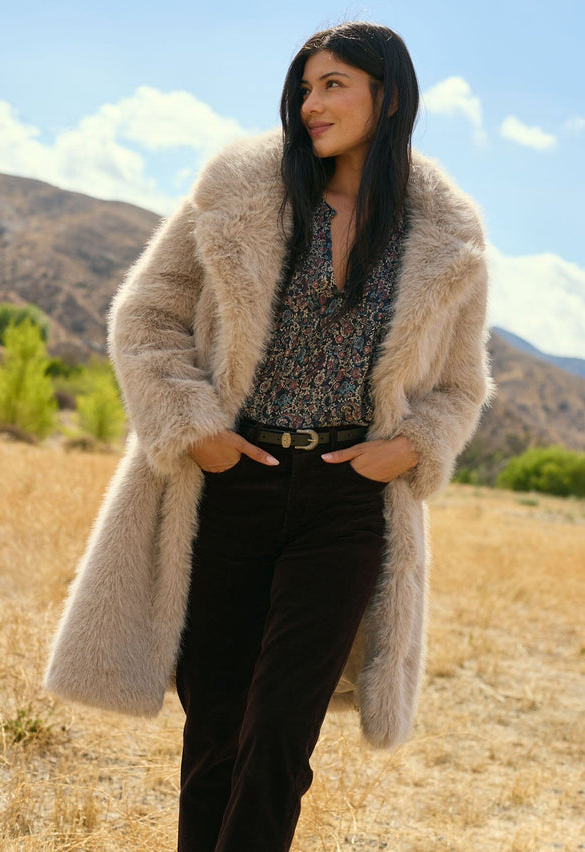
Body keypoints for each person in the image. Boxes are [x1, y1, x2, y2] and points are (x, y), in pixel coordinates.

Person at [45, 20, 493, 852]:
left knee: (282, 732)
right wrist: (196, 428)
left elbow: (462, 385)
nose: (309, 103)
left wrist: (416, 446)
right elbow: (145, 320)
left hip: (348, 498)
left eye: (333, 85)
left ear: (387, 97)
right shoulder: (241, 192)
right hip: (232, 478)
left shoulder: (445, 235)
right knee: (216, 727)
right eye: (303, 86)